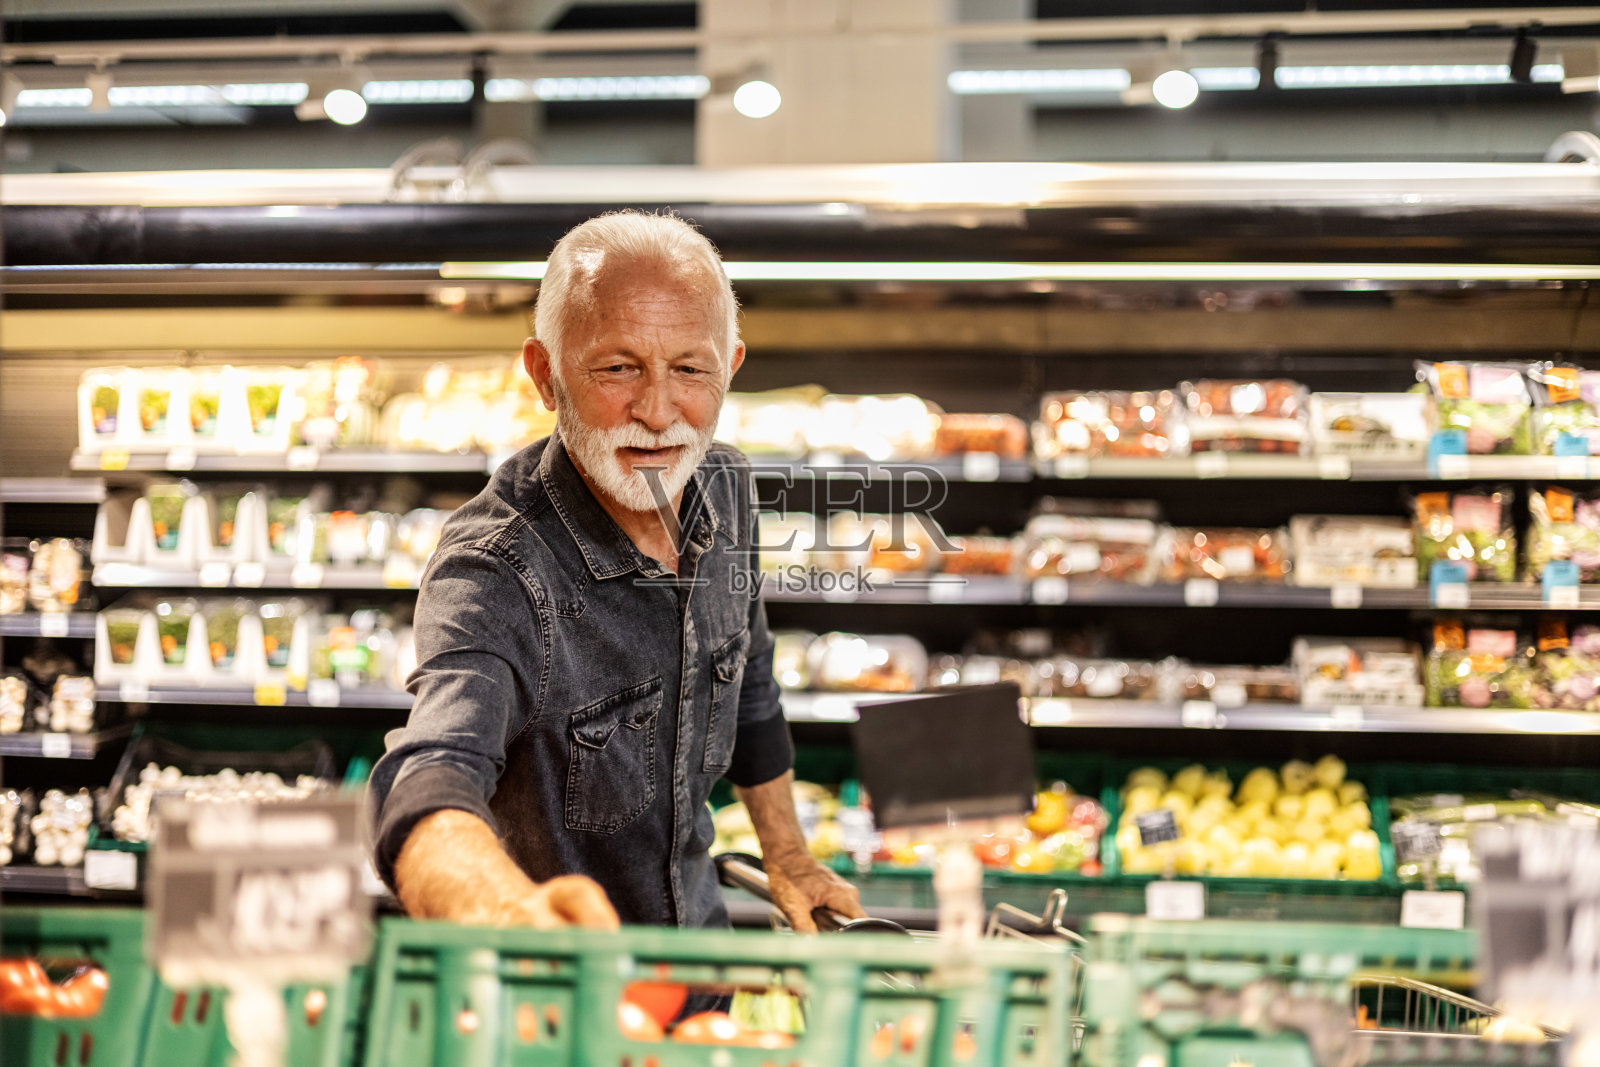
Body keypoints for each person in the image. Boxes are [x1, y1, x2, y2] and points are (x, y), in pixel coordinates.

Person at [367, 210, 865, 934]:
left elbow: (750, 682)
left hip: (702, 969)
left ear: (729, 369)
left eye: (689, 369)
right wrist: (504, 908)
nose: (659, 412)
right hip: (556, 1001)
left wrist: (787, 855)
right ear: (545, 374)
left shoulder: (724, 484)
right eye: (618, 367)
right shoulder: (496, 568)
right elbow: (432, 772)